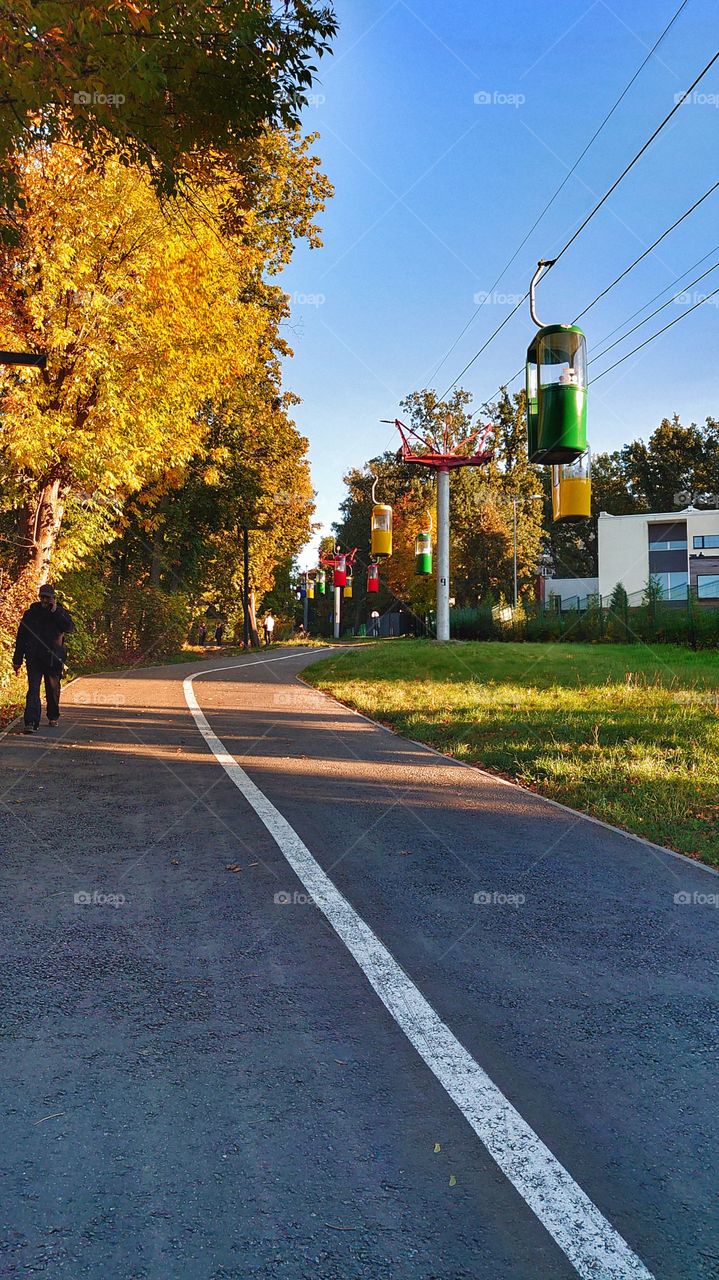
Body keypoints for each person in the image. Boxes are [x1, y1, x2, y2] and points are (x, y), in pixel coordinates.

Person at [12, 584, 74, 734]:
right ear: (39, 597)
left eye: (48, 597)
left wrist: (55, 612)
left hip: (53, 658)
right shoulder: (30, 614)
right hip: (34, 657)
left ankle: (53, 715)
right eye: (42, 597)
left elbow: (69, 628)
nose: (45, 600)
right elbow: (21, 637)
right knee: (33, 689)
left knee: (52, 689)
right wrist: (17, 659)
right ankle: (31, 722)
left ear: (53, 598)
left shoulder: (60, 613)